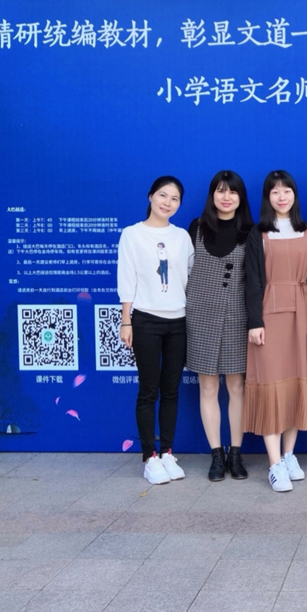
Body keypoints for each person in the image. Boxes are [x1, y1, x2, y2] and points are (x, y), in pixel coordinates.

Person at [244, 171, 307, 492]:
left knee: (295, 383)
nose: (281, 196)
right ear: (268, 197)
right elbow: (252, 281)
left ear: (294, 195)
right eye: (275, 191)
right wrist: (254, 321)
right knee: (271, 385)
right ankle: (274, 463)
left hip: (301, 312)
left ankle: (289, 455)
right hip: (267, 314)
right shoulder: (258, 234)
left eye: (287, 190)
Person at [118, 176, 194, 485]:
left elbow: (191, 277)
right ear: (150, 196)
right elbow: (127, 279)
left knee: (171, 390)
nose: (167, 202)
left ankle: (167, 453)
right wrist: (126, 320)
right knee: (149, 390)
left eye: (174, 198)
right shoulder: (132, 234)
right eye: (163, 195)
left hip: (179, 321)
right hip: (145, 320)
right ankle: (149, 457)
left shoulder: (182, 237)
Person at [186, 170, 254, 481]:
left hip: (237, 317)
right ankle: (216, 454)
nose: (226, 197)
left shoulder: (251, 232)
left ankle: (235, 453)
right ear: (212, 195)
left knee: (237, 387)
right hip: (200, 317)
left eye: (233, 192)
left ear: (241, 197)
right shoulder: (196, 228)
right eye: (220, 191)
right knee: (208, 386)